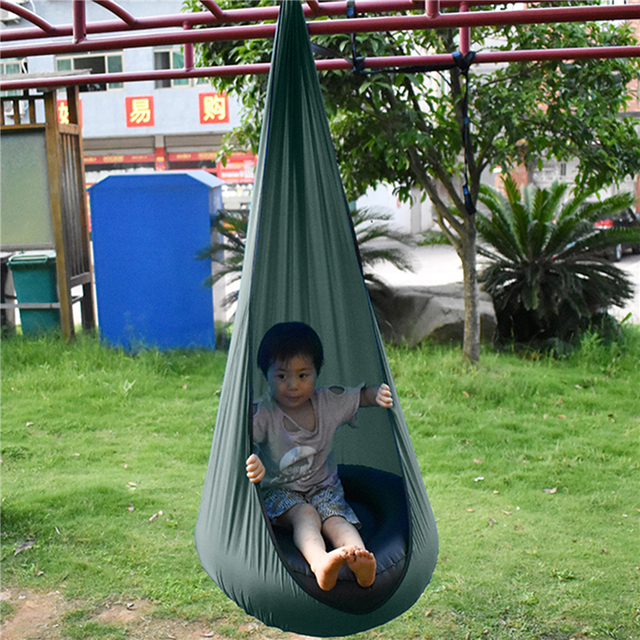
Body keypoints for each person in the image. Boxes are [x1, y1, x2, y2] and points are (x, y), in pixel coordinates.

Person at [246, 321, 393, 592]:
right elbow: (238, 441)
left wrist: (377, 394)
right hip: (282, 492)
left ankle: (360, 559)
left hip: (324, 487)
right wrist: (253, 462)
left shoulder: (327, 401)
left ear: (316, 373)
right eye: (281, 376)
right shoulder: (263, 413)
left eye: (303, 375)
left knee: (336, 518)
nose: (292, 385)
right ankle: (320, 563)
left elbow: (359, 397)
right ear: (265, 374)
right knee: (305, 515)